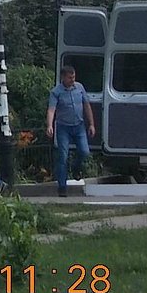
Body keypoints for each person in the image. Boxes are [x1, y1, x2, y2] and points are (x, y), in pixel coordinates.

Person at [46, 65, 96, 198]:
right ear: (63, 77)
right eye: (70, 78)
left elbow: (86, 105)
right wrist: (49, 125)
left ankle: (76, 167)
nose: (72, 80)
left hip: (79, 125)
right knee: (62, 156)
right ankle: (62, 187)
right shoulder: (56, 92)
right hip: (63, 127)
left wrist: (91, 124)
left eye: (73, 77)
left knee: (84, 152)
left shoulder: (79, 88)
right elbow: (51, 109)